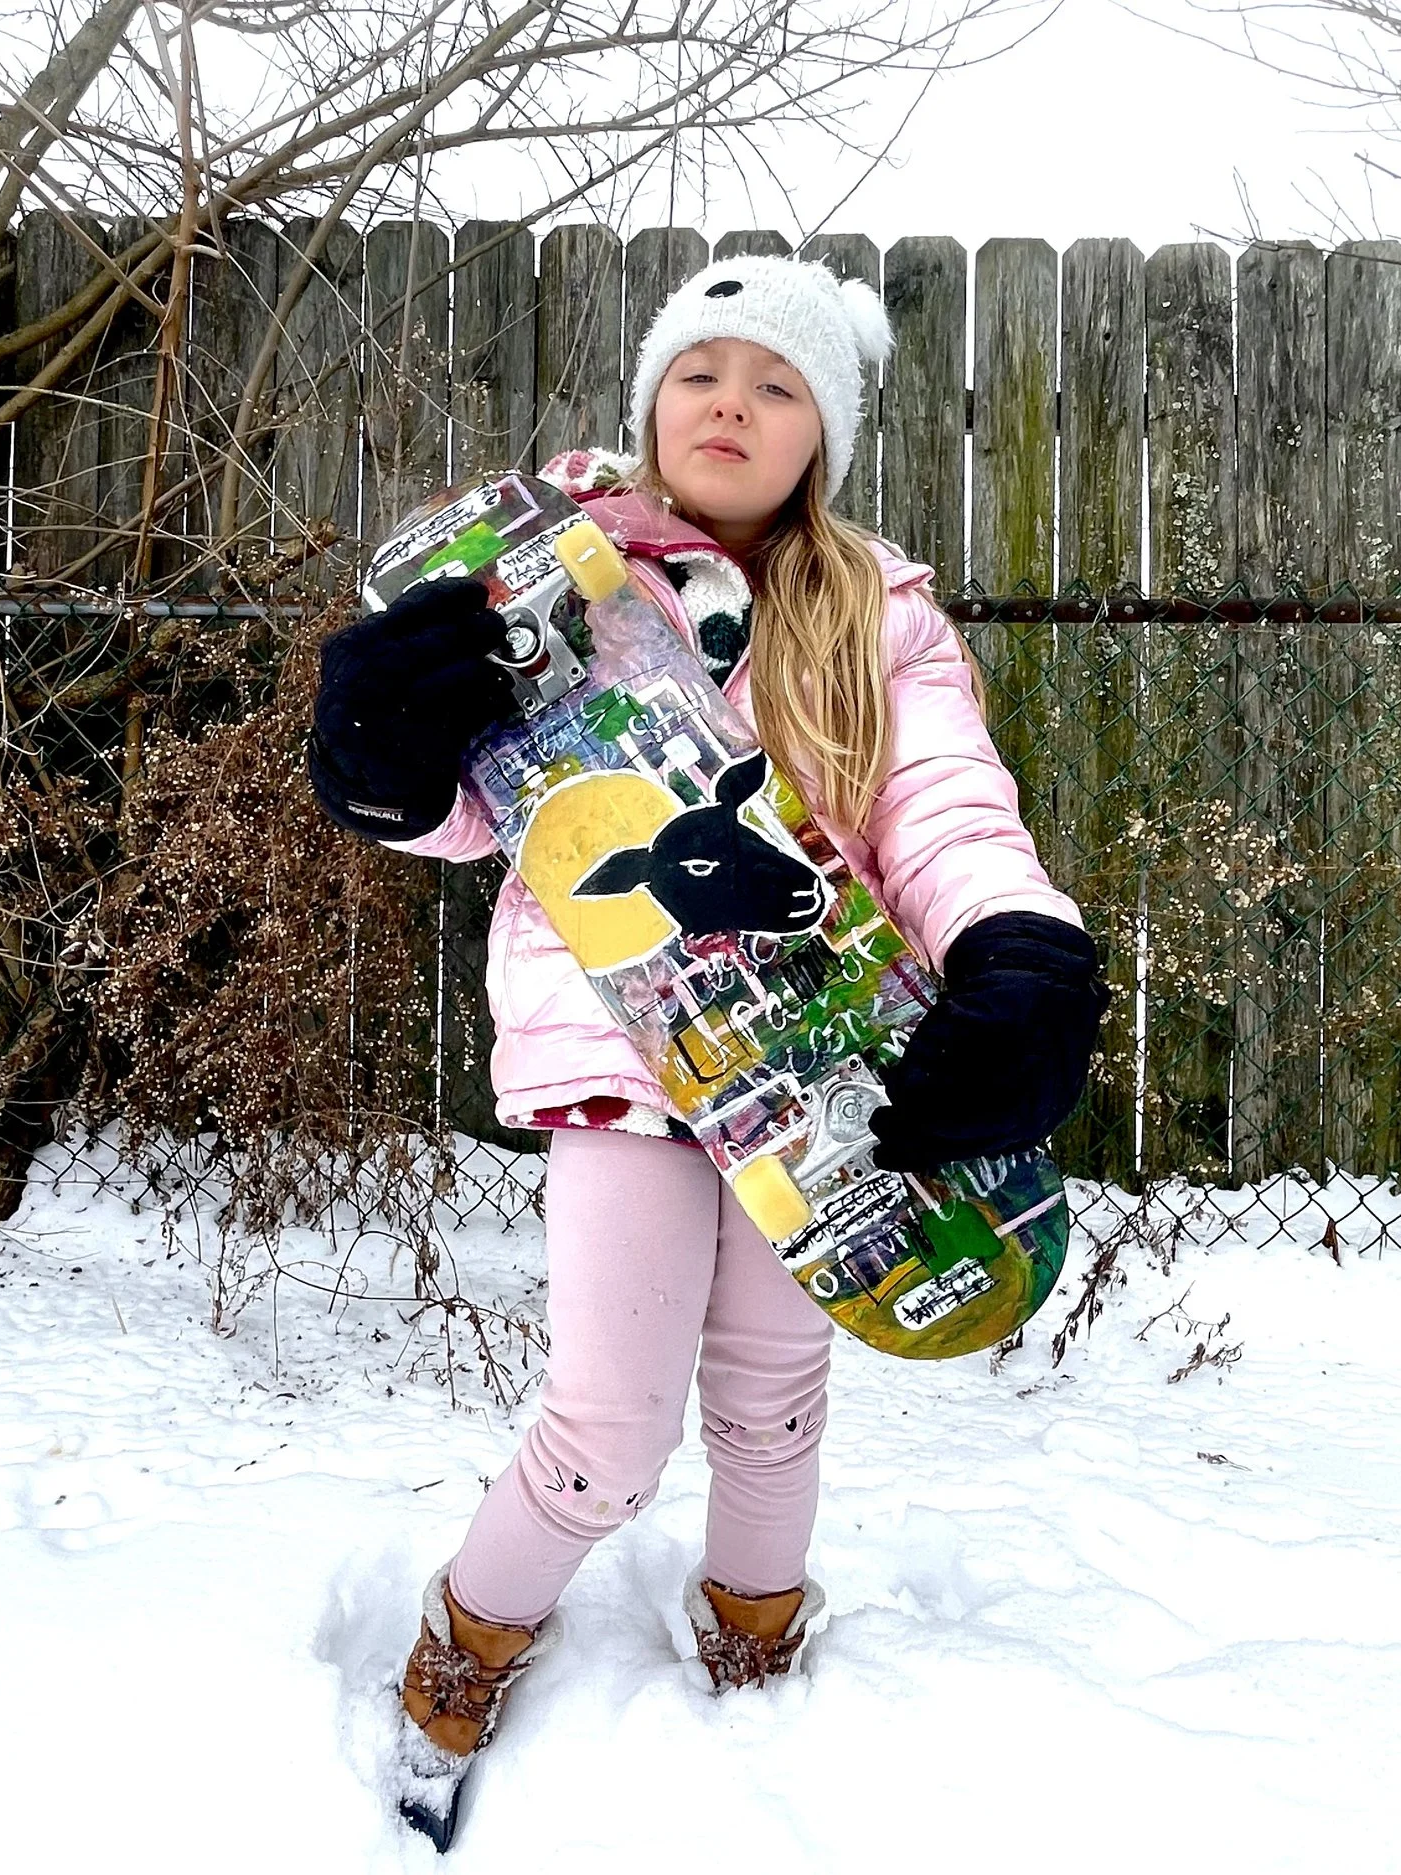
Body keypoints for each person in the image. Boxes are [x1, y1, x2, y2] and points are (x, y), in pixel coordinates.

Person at [307, 256, 1106, 1780]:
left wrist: (1021, 953)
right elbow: (481, 816)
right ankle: (468, 1635)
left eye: (778, 383)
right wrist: (382, 756)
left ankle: (757, 1629)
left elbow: (943, 808)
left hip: (818, 1058)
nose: (731, 401)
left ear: (827, 437)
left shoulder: (880, 615)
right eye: (700, 372)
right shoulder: (533, 578)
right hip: (622, 1046)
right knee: (606, 1426)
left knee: (773, 1396)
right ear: (651, 400)